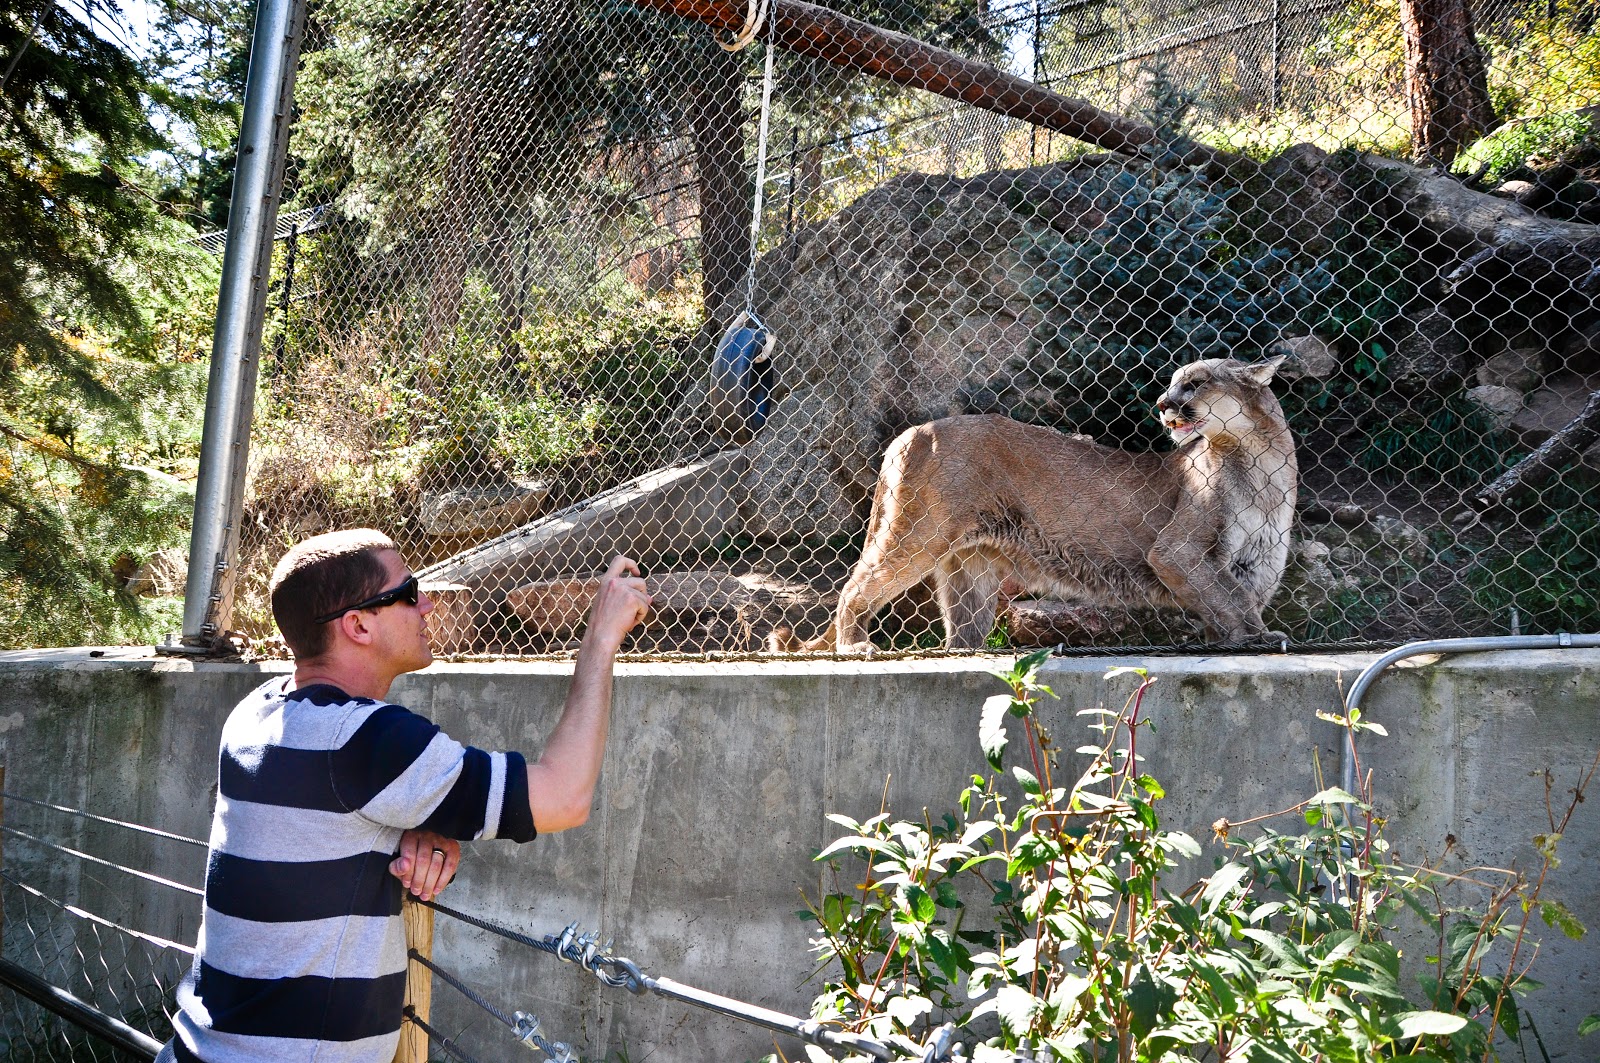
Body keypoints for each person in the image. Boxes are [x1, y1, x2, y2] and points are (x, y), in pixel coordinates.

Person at [163, 529, 651, 1063]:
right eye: (409, 591)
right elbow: (565, 796)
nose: (428, 604)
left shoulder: (258, 712)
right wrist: (600, 642)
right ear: (359, 624)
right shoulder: (367, 741)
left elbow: (327, 820)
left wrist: (415, 828)